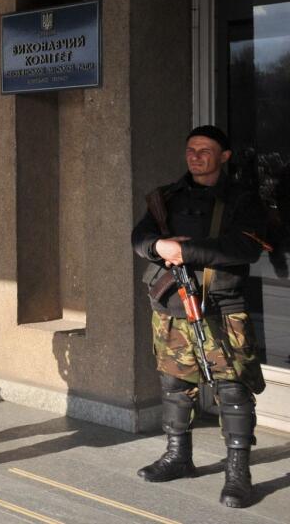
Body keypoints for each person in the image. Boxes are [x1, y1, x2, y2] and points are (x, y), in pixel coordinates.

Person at [131, 125, 268, 509]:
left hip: (222, 308)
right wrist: (159, 245)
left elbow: (246, 249)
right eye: (191, 149)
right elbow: (139, 237)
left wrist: (188, 252)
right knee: (174, 384)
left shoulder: (241, 200)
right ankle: (179, 456)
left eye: (205, 150)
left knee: (232, 391)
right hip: (171, 306)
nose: (196, 156)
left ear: (224, 157)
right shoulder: (168, 196)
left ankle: (238, 474)